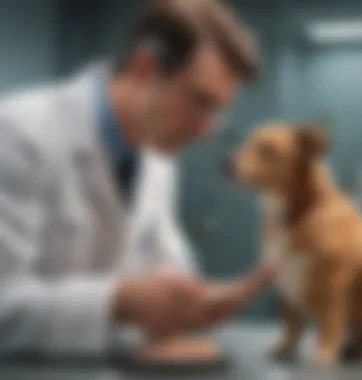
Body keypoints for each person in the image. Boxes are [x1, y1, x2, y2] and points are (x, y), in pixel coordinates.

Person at [0, 0, 275, 358]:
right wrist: (118, 302)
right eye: (199, 102)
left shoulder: (157, 161)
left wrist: (199, 301)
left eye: (217, 111)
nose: (207, 131)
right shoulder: (19, 134)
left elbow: (167, 267)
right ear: (144, 68)